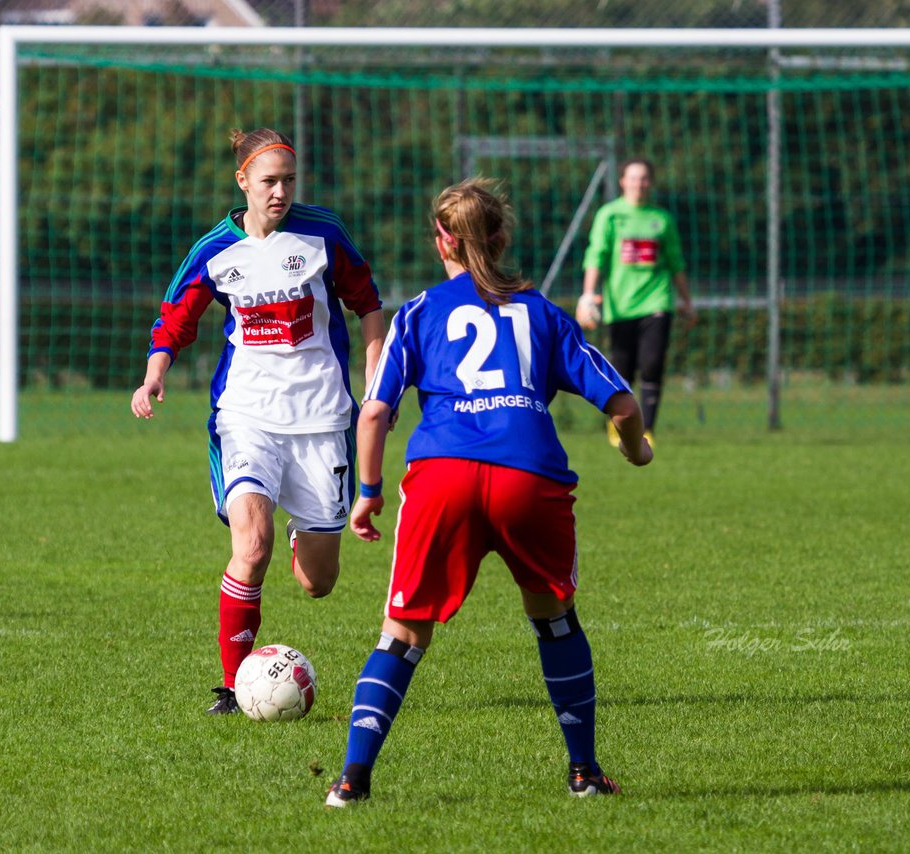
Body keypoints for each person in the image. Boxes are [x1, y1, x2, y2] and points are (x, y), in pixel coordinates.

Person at [323, 178, 653, 808]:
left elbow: (372, 415)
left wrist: (368, 492)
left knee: (402, 633)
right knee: (554, 619)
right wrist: (636, 448)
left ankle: (351, 780)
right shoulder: (544, 314)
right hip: (529, 475)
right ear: (501, 239)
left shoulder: (419, 312)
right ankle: (583, 772)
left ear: (440, 240)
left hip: (442, 475)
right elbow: (623, 404)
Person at [130, 127, 386, 715]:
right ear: (242, 180)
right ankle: (232, 683)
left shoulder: (323, 233)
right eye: (269, 181)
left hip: (323, 419)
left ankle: (307, 533)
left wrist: (376, 370)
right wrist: (154, 373)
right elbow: (175, 319)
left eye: (289, 181)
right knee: (252, 543)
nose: (280, 192)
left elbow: (367, 301)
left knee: (318, 583)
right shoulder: (215, 249)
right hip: (246, 417)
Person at [577, 158, 696, 446]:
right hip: (620, 306)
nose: (638, 184)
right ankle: (617, 424)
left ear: (650, 182)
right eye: (633, 178)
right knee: (622, 369)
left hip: (656, 302)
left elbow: (675, 263)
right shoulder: (610, 215)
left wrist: (686, 301)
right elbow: (596, 256)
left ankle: (647, 429)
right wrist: (588, 295)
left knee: (653, 364)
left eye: (643, 178)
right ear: (622, 182)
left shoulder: (661, 219)